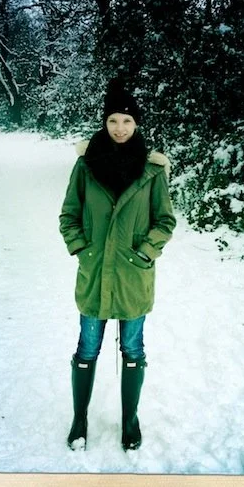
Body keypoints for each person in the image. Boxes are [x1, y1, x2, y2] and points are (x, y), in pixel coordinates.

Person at [59, 78, 177, 451]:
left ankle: (130, 420)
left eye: (127, 121)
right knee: (87, 348)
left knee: (133, 349)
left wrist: (145, 252)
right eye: (113, 121)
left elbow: (165, 221)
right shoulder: (85, 166)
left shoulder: (152, 170)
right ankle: (79, 418)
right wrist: (83, 250)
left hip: (133, 277)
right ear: (104, 123)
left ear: (136, 124)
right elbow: (69, 215)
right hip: (95, 274)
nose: (120, 128)